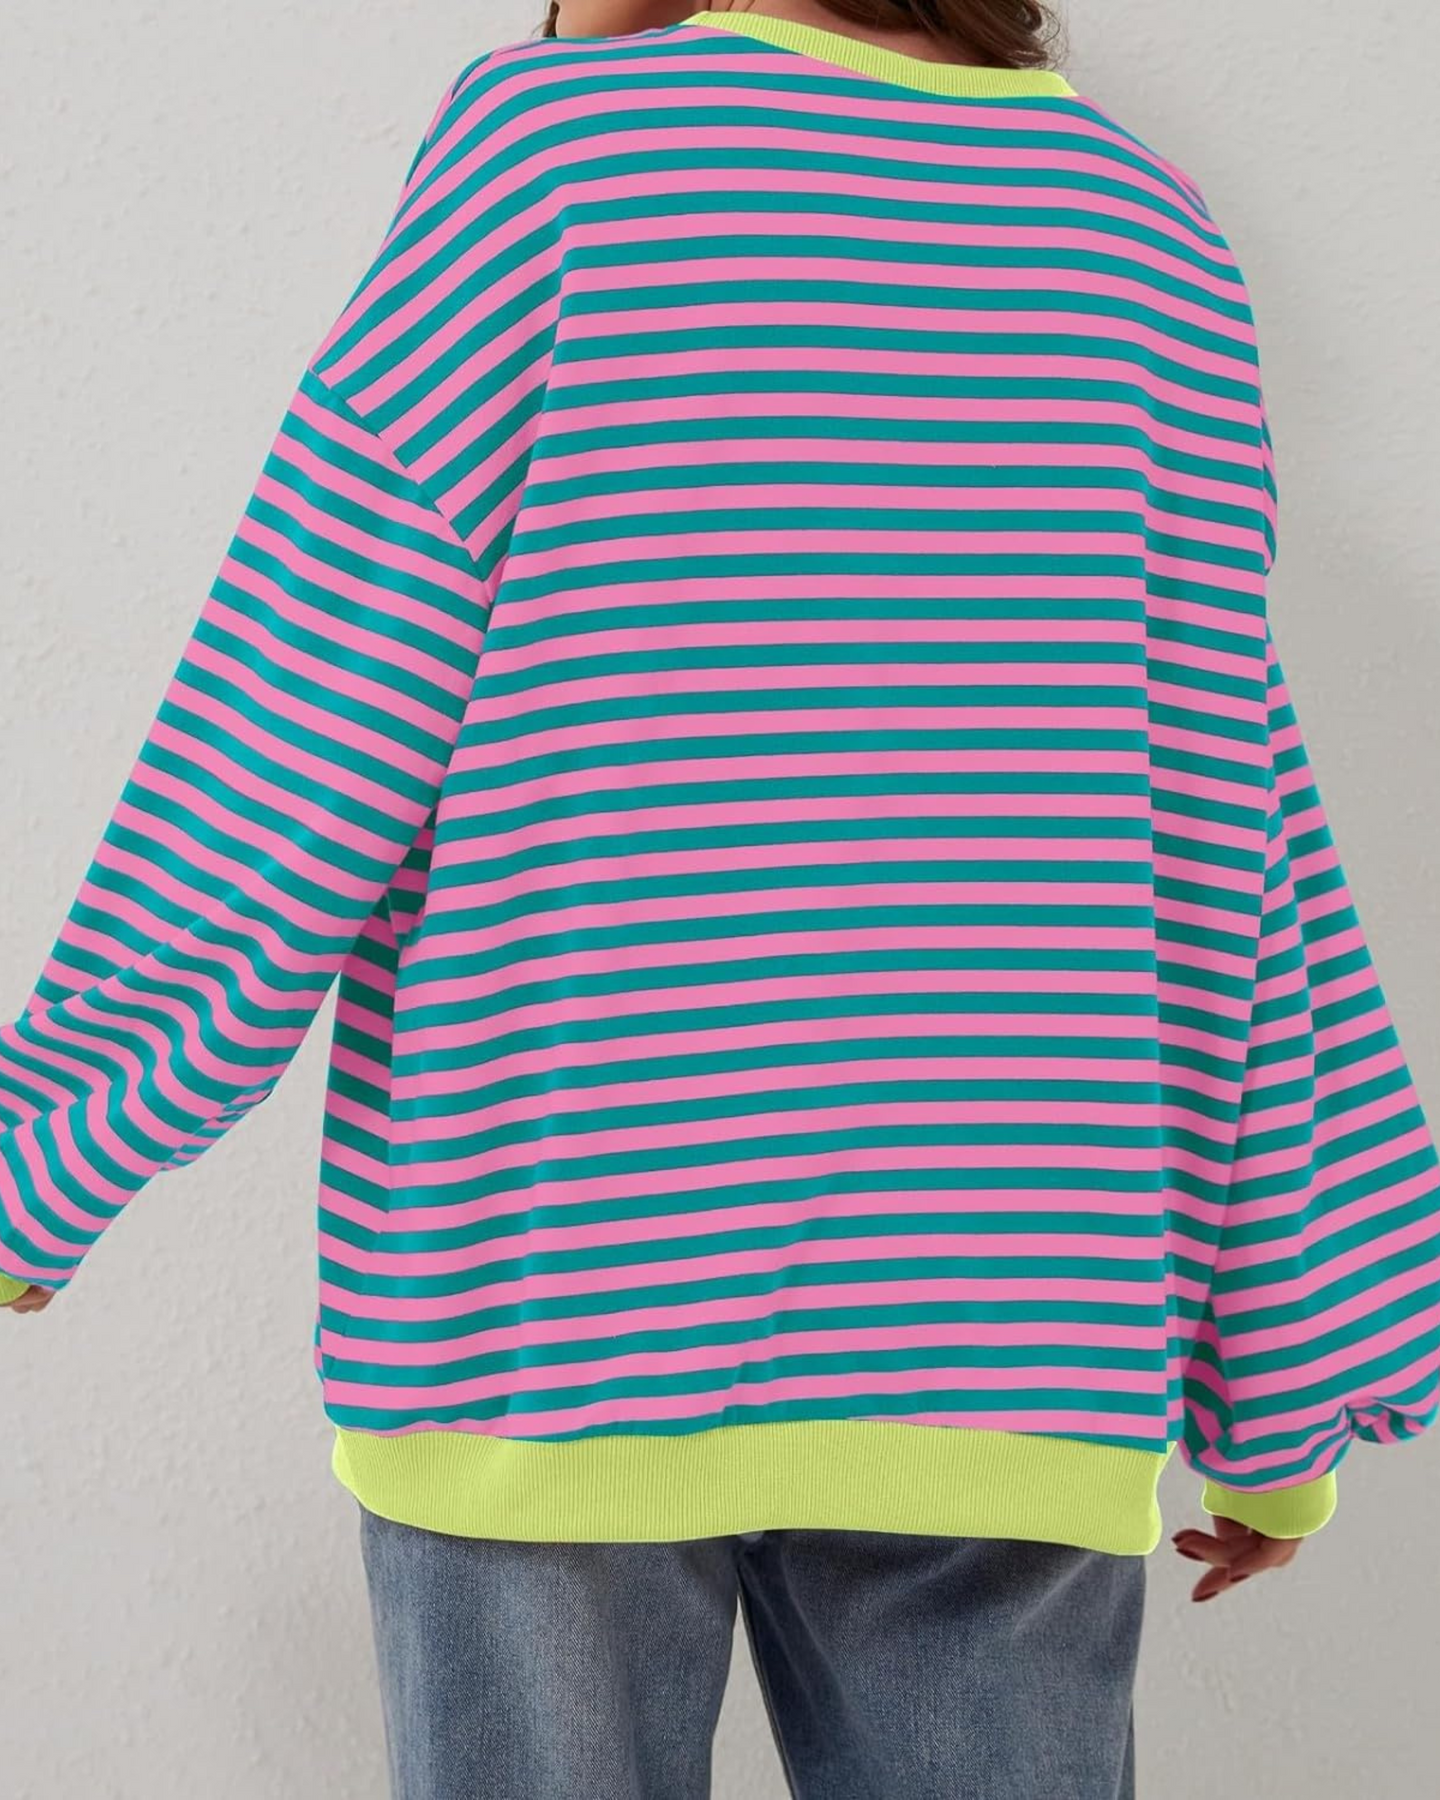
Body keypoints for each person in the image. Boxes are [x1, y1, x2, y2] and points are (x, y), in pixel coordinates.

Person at [5, 3, 1439, 1795]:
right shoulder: (1142, 229)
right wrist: (1285, 1369)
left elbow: (303, 708)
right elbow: (1226, 816)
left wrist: (47, 1142)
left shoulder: (555, 159)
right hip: (1013, 1330)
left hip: (547, 1309)